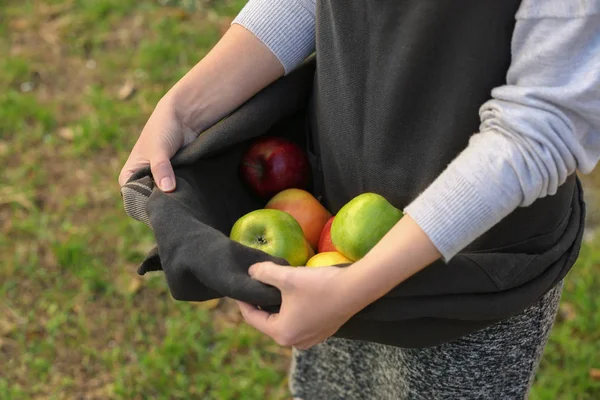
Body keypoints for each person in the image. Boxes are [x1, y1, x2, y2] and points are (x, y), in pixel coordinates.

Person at [119, 0, 600, 398]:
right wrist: (182, 111)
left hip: (464, 269)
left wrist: (360, 284)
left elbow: (543, 123)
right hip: (331, 234)